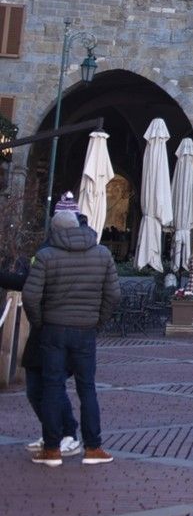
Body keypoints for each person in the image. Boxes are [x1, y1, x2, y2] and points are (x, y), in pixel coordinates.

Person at [23, 194, 118, 467]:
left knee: (52, 386)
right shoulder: (102, 254)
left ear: (55, 228)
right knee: (87, 388)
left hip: (53, 329)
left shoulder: (45, 256)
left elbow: (30, 296)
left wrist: (41, 321)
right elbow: (113, 294)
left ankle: (52, 450)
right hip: (85, 330)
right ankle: (93, 447)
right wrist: (98, 320)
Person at [1, 255, 81, 460]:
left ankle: (67, 433)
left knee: (53, 387)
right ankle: (53, 432)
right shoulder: (46, 256)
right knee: (36, 389)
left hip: (61, 334)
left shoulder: (70, 262)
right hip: (41, 335)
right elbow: (27, 283)